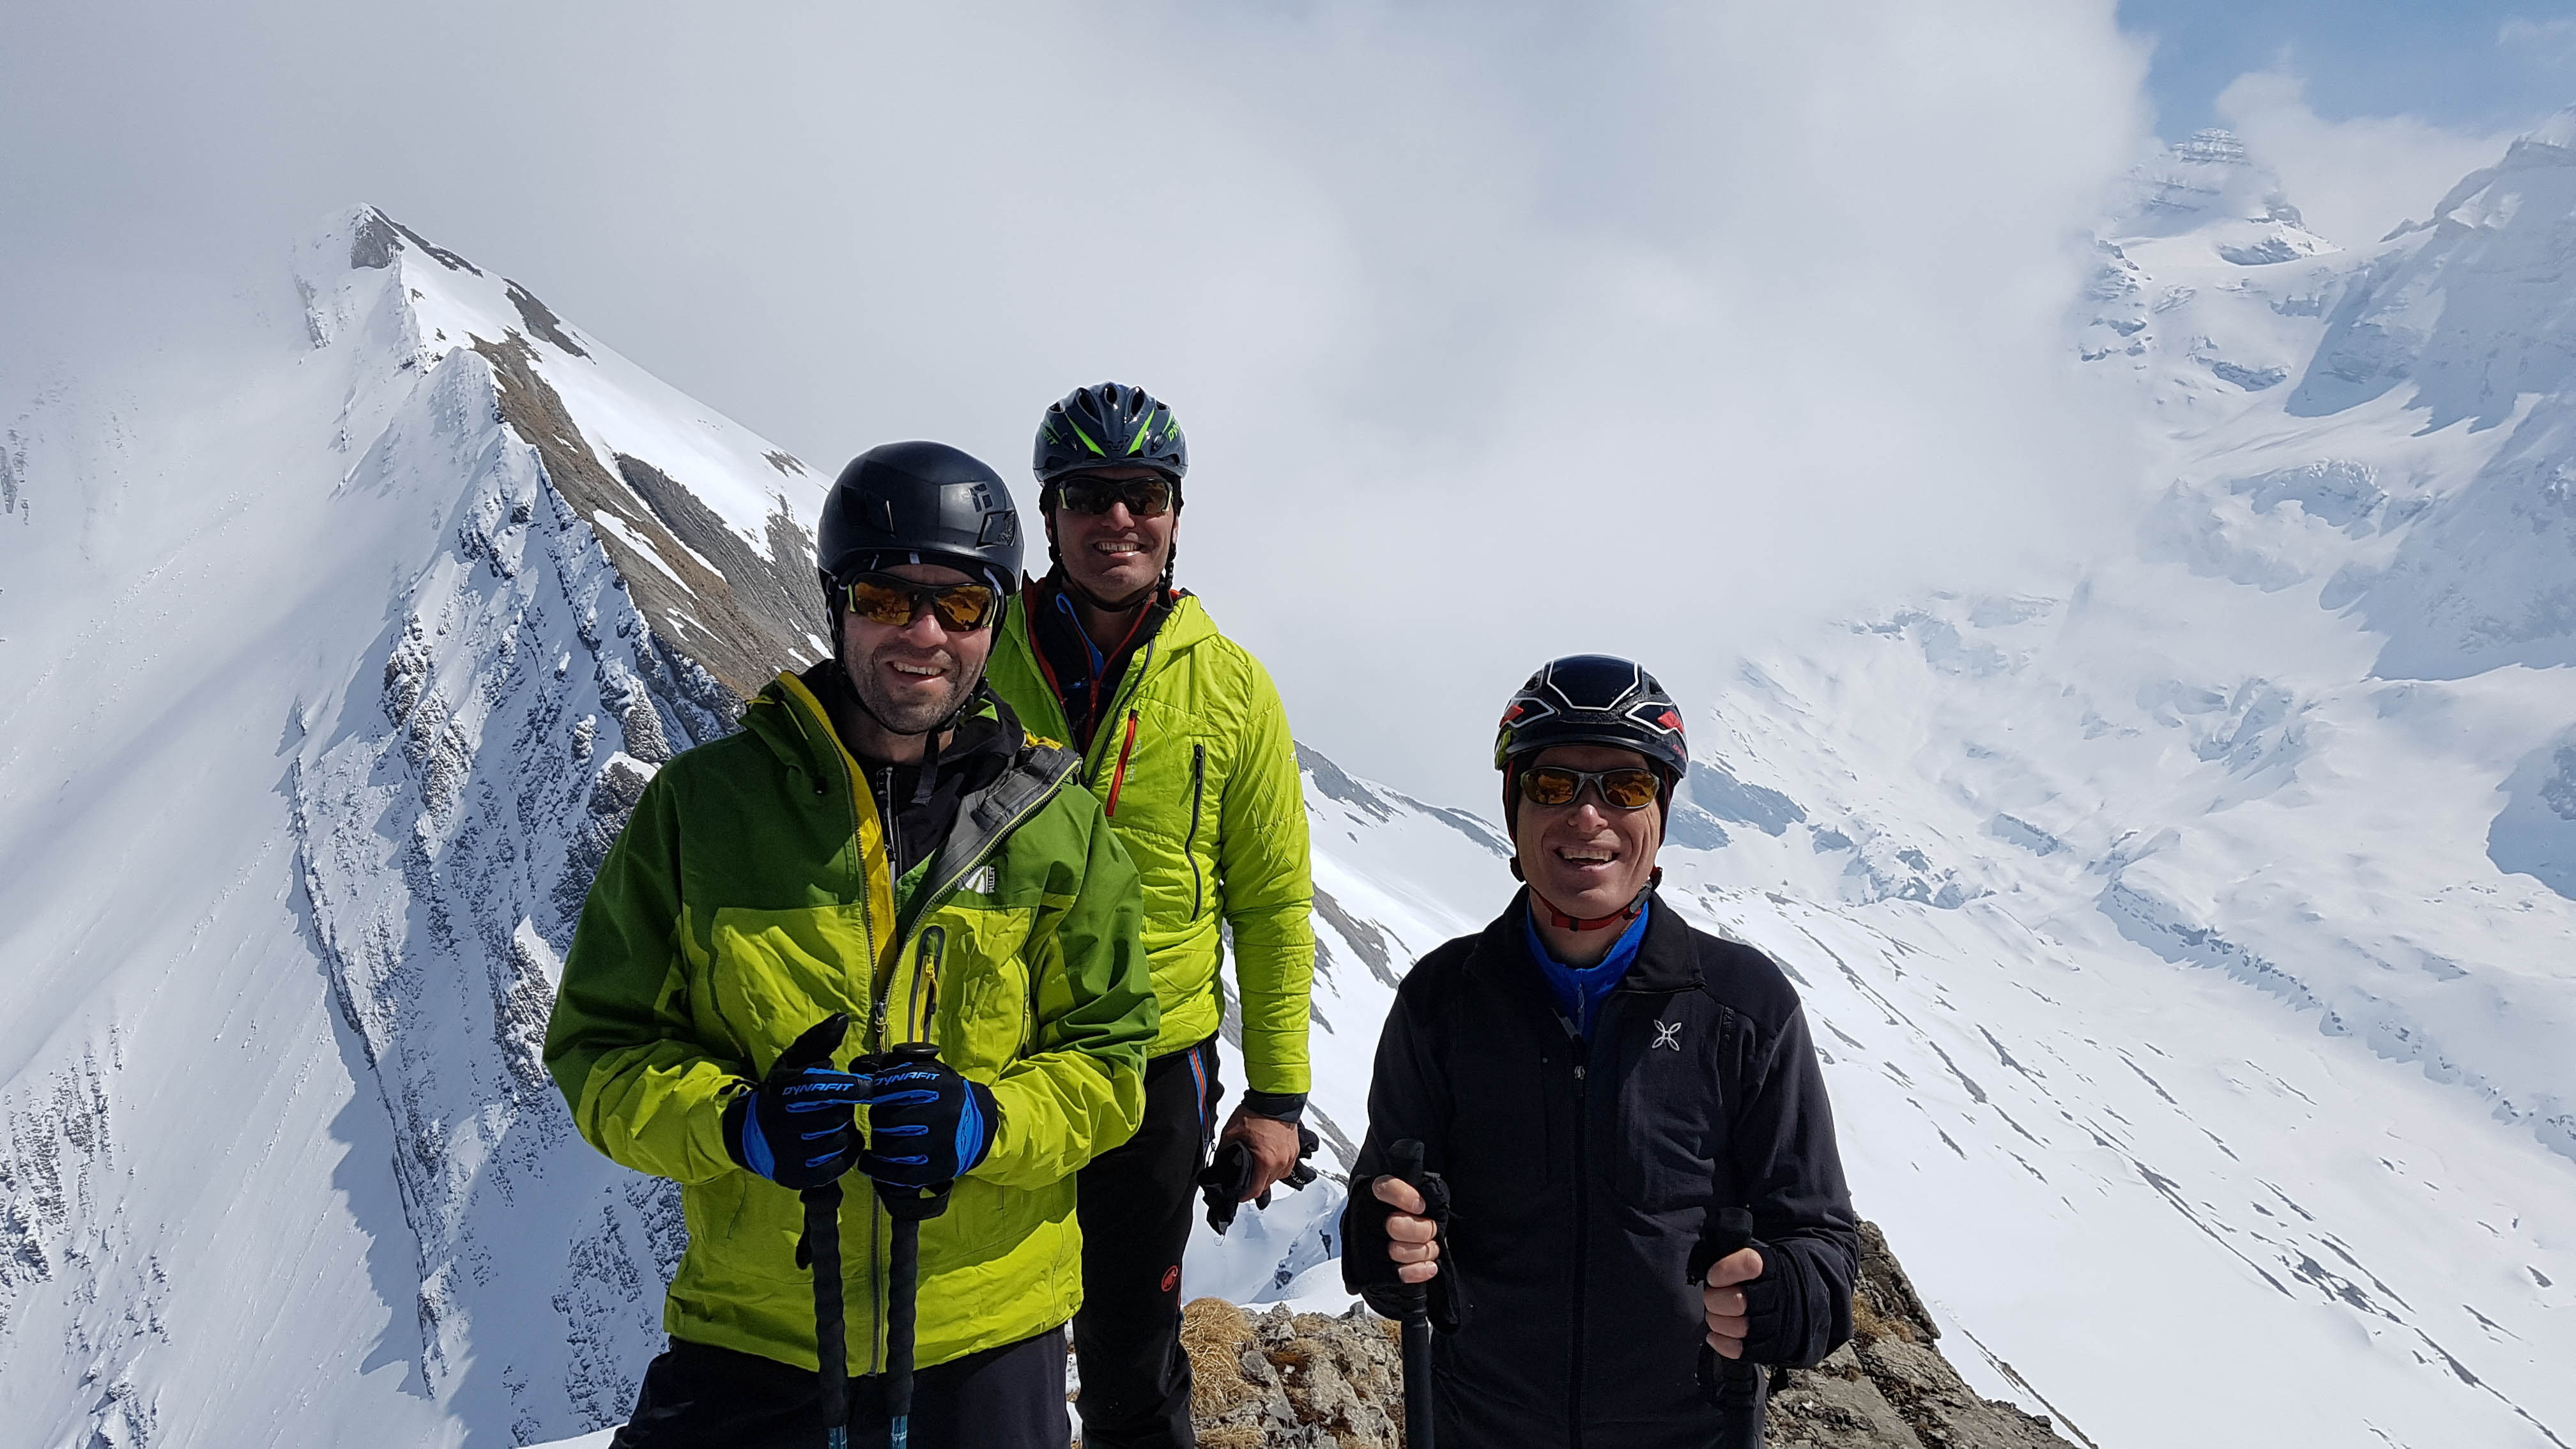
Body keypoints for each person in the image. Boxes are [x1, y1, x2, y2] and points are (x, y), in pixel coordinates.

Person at [544, 440, 1158, 1449]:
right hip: (756, 1334)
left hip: (988, 1339)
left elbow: (1114, 1058)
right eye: (887, 597)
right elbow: (600, 1053)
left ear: (995, 622)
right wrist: (738, 1124)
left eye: (959, 606)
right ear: (837, 605)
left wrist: (988, 1125)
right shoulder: (702, 812)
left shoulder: (1055, 824)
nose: (923, 634)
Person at [1340, 654, 1858, 1448]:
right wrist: (1381, 1248)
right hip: (1482, 1426)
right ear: (1515, 808)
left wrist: (1786, 1298)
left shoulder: (1743, 1007)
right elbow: (1384, 1205)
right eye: (1553, 786)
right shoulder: (1443, 1002)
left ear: (1661, 815)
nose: (1588, 817)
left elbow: (1822, 1241)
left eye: (1626, 787)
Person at [983, 382, 1317, 1449]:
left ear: (1174, 513)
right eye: (1089, 492)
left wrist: (1274, 1097)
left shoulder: (1229, 688)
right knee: (988, 1342)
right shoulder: (975, 661)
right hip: (994, 1054)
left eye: (1141, 493)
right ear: (1050, 512)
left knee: (1132, 1349)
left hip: (1152, 1063)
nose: (1116, 518)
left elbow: (1270, 903)